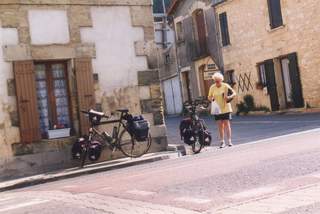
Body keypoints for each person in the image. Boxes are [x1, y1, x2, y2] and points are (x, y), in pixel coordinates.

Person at [208, 72, 236, 148]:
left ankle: (229, 141)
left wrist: (229, 97)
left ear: (221, 80)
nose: (216, 82)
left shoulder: (225, 86)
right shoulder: (212, 87)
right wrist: (212, 99)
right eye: (215, 81)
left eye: (218, 81)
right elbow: (209, 97)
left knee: (227, 124)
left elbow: (234, 93)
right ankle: (222, 142)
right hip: (217, 109)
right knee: (220, 126)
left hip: (226, 108)